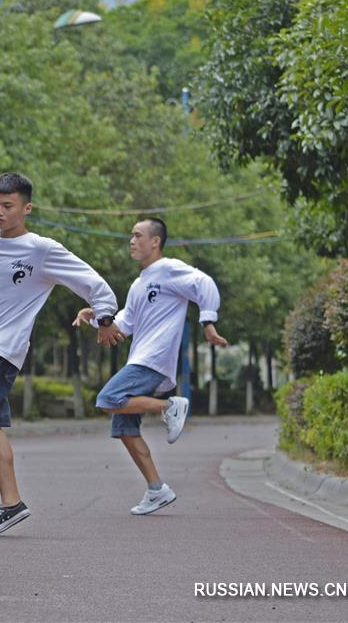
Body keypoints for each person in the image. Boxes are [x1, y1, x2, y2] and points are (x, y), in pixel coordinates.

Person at [0, 173, 120, 536]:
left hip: (3, 351)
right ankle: (11, 503)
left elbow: (91, 282)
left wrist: (105, 316)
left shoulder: (41, 249)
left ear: (27, 208)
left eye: (8, 206)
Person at [75, 217, 228, 515]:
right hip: (141, 357)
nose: (131, 241)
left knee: (107, 399)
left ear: (155, 241)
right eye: (131, 236)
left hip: (153, 358)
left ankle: (168, 406)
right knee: (124, 427)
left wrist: (208, 322)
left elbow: (204, 283)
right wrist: (96, 318)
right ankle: (157, 489)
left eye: (137, 235)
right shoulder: (138, 283)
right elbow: (125, 325)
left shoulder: (168, 269)